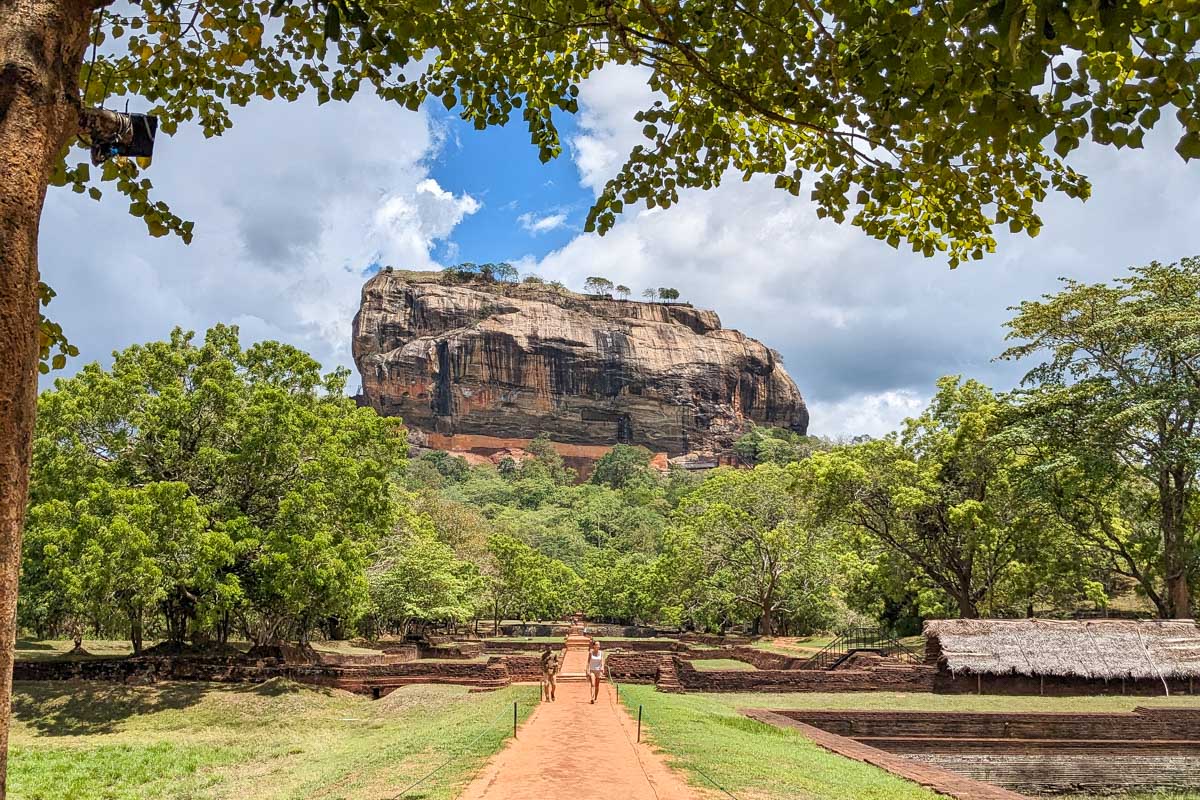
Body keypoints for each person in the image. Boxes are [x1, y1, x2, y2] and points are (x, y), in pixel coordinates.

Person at [586, 639, 604, 704]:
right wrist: (587, 670)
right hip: (592, 670)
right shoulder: (591, 653)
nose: (598, 646)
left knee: (597, 685)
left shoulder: (601, 653)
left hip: (598, 671)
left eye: (599, 645)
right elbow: (588, 662)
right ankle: (592, 698)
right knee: (593, 684)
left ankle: (595, 698)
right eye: (596, 645)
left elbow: (602, 661)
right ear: (594, 646)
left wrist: (602, 669)